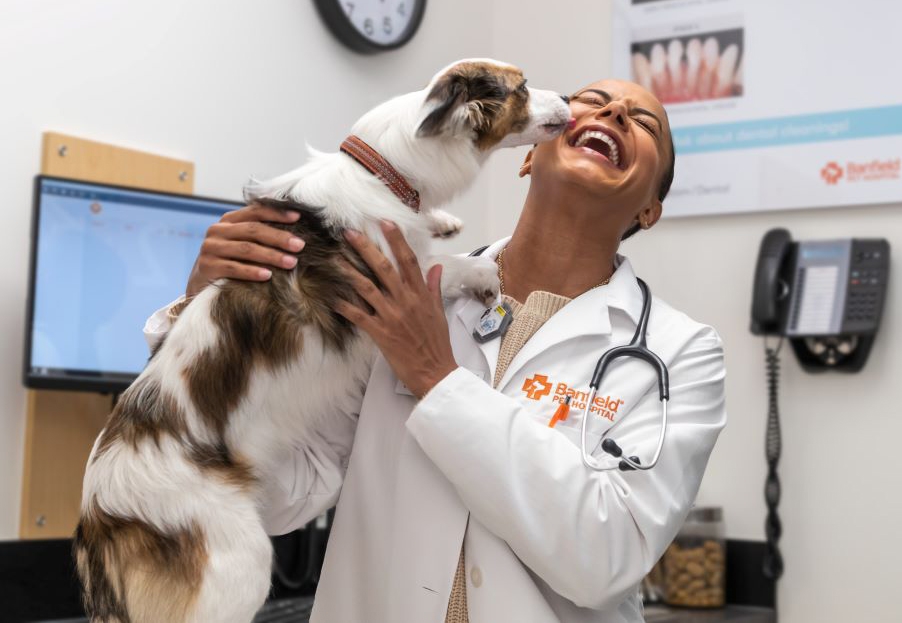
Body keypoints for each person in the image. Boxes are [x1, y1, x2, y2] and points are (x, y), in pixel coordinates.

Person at [145, 79, 726, 623]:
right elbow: (281, 496)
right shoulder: (394, 292)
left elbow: (606, 560)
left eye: (644, 123)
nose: (613, 112)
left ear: (650, 208)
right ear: (529, 153)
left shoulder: (682, 354)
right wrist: (205, 317)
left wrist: (437, 379)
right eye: (591, 100)